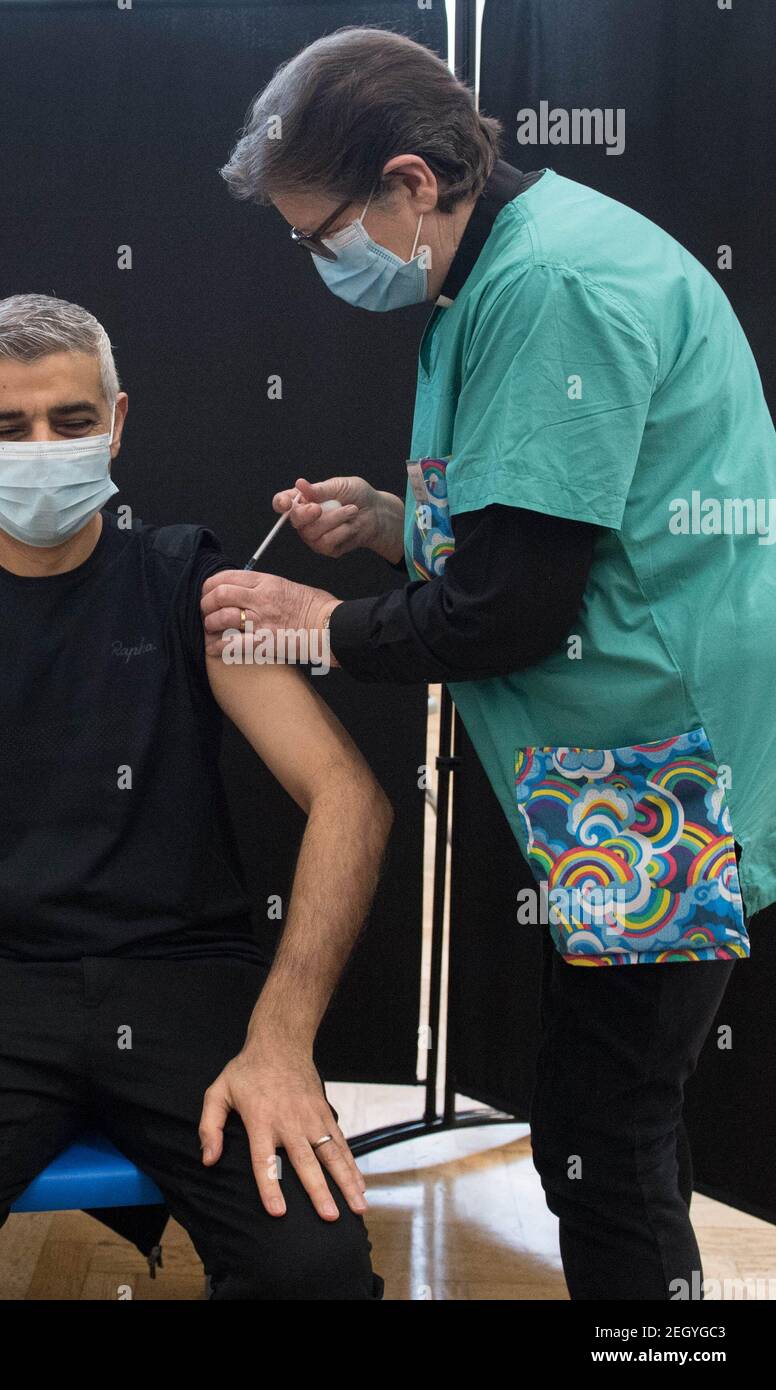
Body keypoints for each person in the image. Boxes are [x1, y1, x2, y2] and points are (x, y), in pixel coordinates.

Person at [203, 27, 776, 1300]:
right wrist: (391, 523)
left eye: (320, 233)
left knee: (603, 1144)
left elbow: (510, 610)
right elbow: (574, 517)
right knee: (613, 1120)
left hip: (657, 778)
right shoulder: (526, 247)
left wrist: (315, 625)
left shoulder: (546, 285)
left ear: (411, 182)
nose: (316, 263)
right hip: (640, 748)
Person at [0, 292, 390, 1300]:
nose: (42, 446)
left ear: (115, 423)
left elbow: (348, 796)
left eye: (71, 421)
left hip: (186, 979)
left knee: (314, 1273)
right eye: (5, 426)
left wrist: (282, 1040)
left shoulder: (187, 585)